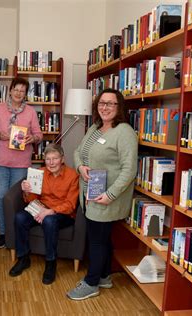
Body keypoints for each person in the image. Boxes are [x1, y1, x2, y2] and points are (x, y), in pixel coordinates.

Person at [67, 88, 138, 300]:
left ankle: (91, 283)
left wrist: (111, 195)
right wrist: (80, 167)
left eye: (110, 104)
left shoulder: (124, 132)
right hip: (89, 194)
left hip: (106, 197)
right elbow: (77, 152)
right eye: (101, 103)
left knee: (97, 240)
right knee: (102, 238)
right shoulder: (96, 127)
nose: (104, 107)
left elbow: (129, 169)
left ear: (119, 107)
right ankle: (105, 276)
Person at [8, 143, 79, 285]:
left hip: (62, 213)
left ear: (62, 159)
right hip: (42, 208)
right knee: (20, 217)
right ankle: (23, 258)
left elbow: (70, 205)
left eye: (55, 158)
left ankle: (50, 263)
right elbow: (32, 199)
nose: (51, 163)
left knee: (49, 221)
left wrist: (51, 211)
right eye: (48, 159)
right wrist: (27, 192)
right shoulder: (39, 173)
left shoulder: (72, 176)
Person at [0, 77, 43, 248]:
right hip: (1, 162)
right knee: (1, 198)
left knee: (17, 199)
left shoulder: (31, 112)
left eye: (22, 91)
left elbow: (39, 135)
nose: (19, 93)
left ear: (25, 94)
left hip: (21, 164)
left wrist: (31, 138)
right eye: (16, 89)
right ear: (10, 91)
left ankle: (16, 232)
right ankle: (4, 233)